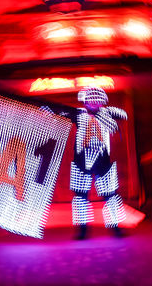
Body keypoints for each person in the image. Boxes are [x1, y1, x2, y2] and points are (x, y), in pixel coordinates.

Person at [42, 86, 128, 239]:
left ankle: (116, 228)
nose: (93, 103)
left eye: (97, 100)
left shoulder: (107, 113)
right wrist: (49, 109)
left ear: (102, 101)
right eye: (90, 100)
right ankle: (82, 230)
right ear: (85, 101)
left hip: (103, 161)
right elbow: (62, 112)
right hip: (81, 161)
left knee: (110, 196)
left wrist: (105, 113)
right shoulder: (79, 114)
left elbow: (123, 114)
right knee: (80, 197)